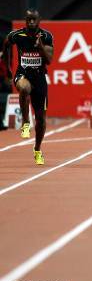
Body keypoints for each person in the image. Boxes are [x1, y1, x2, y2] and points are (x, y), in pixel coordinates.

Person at [1, 9, 53, 165]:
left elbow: (49, 60)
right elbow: (6, 46)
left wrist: (40, 47)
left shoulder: (46, 36)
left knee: (41, 121)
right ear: (25, 20)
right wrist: (8, 70)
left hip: (40, 77)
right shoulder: (17, 35)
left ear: (39, 20)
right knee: (24, 88)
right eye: (29, 19)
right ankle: (25, 122)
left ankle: (37, 149)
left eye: (34, 20)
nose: (31, 22)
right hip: (23, 73)